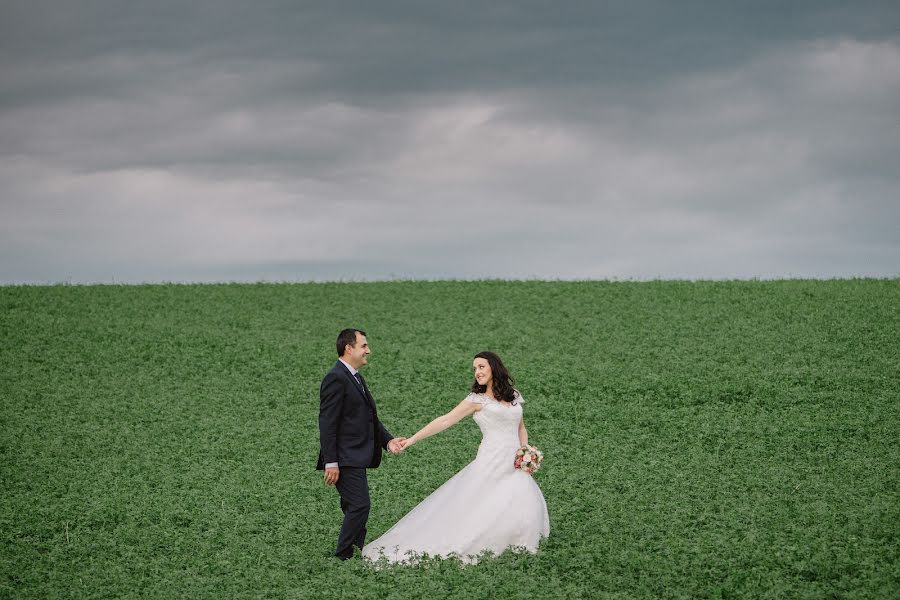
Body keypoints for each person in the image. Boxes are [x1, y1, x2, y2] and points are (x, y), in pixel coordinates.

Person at [362, 351, 550, 565]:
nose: (477, 372)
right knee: (482, 503)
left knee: (517, 497)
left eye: (481, 367)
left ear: (494, 367)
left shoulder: (513, 395)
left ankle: (518, 541)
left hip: (515, 460)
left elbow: (521, 428)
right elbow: (444, 421)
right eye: (474, 369)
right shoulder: (476, 400)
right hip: (492, 458)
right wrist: (412, 440)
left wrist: (525, 451)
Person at [317, 328, 405, 560]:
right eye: (364, 346)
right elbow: (327, 423)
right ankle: (343, 554)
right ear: (349, 348)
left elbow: (368, 418)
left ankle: (354, 552)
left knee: (353, 506)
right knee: (359, 505)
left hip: (354, 456)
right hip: (344, 457)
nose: (369, 350)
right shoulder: (336, 378)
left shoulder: (354, 376)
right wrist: (331, 462)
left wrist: (388, 441)